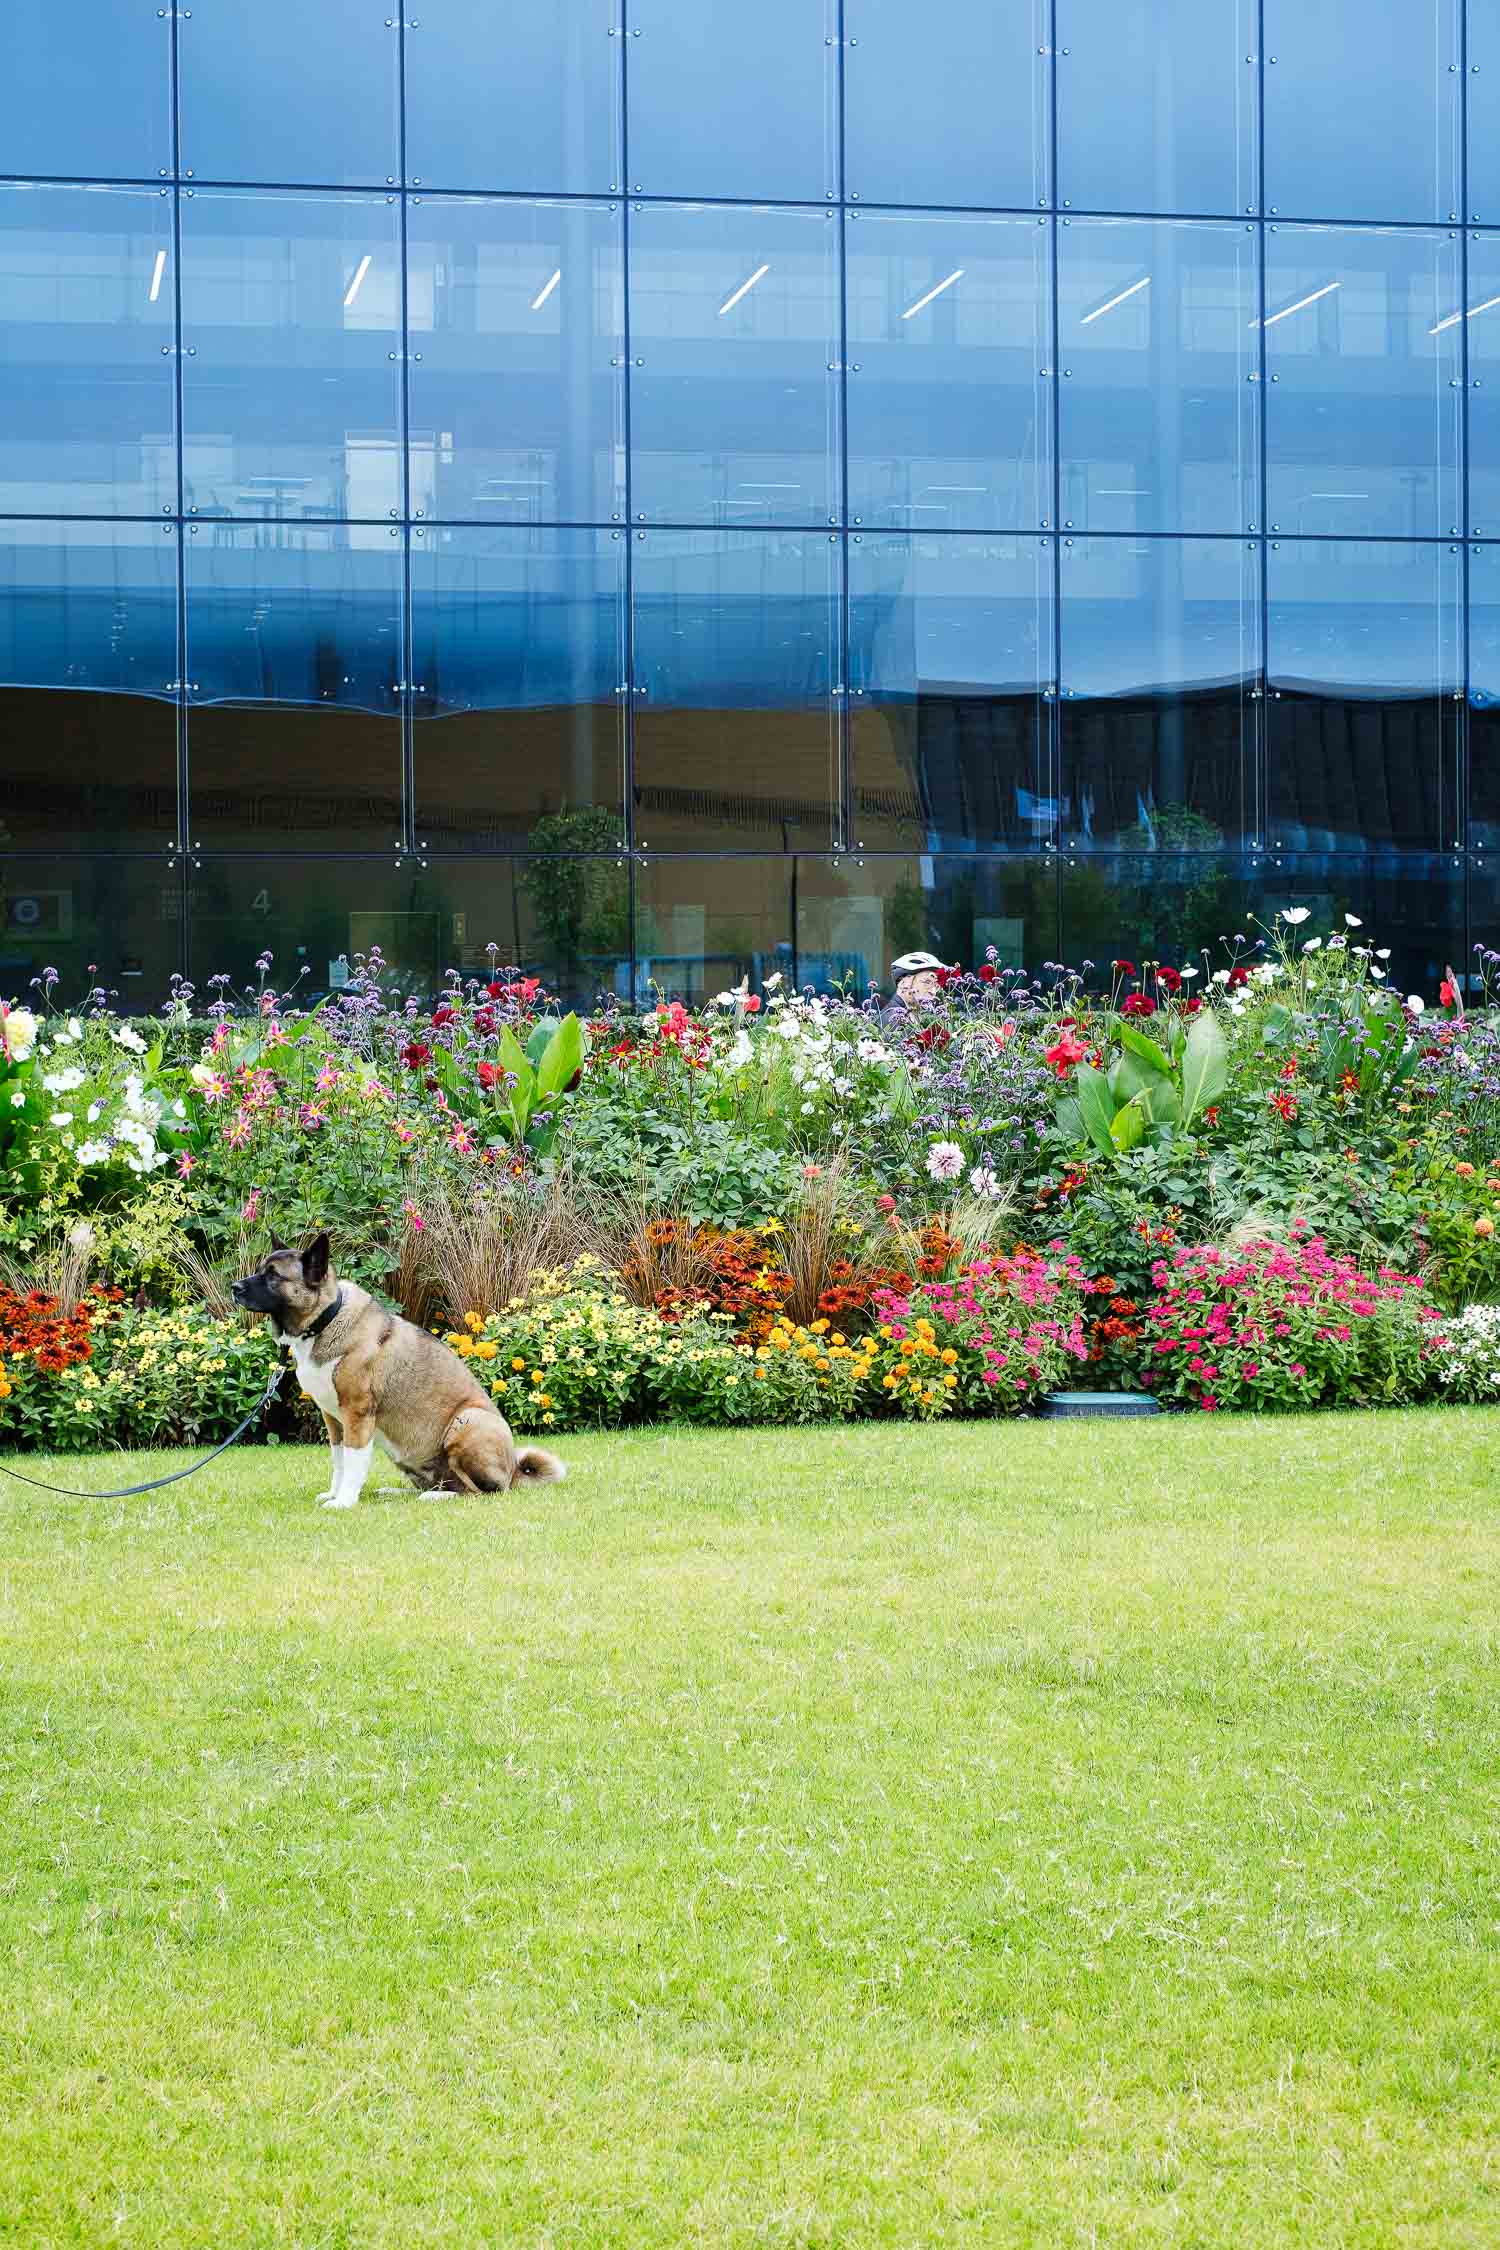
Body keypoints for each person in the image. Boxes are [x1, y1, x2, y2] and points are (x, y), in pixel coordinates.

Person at [882, 949, 948, 1022]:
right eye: (927, 982)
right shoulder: (893, 1019)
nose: (933, 992)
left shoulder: (912, 1017)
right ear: (903, 983)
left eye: (936, 986)